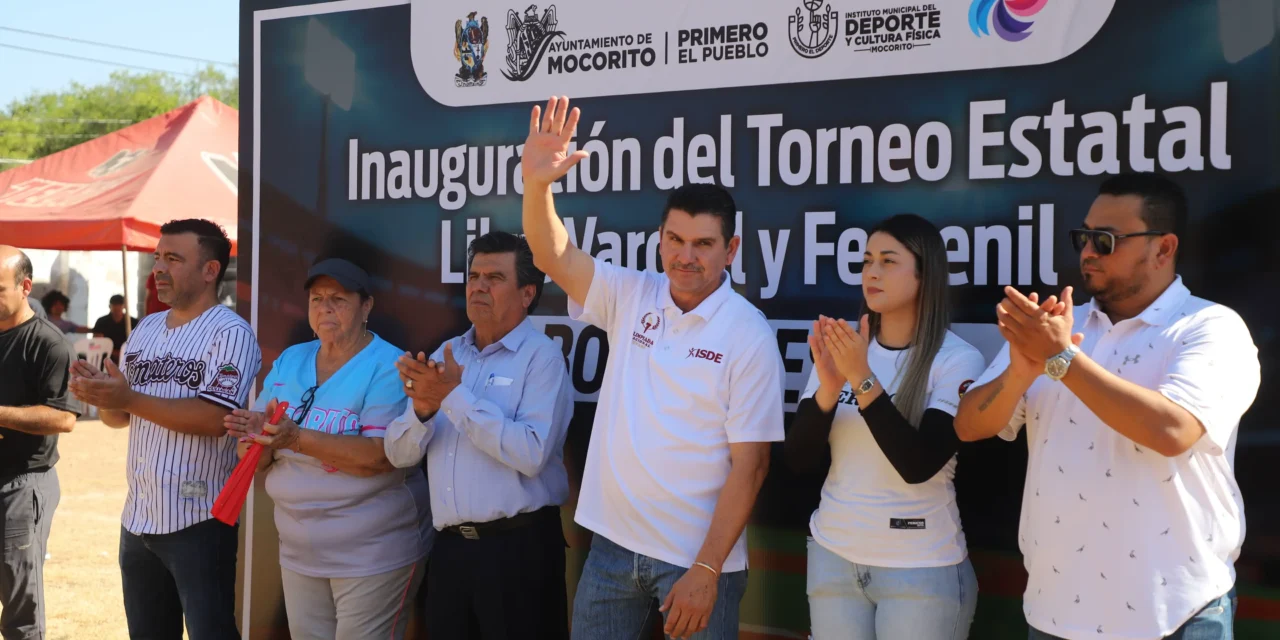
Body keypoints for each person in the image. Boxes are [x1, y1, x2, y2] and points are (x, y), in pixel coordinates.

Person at [521, 96, 785, 640]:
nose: (686, 256)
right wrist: (537, 186)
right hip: (611, 551)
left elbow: (751, 467)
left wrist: (707, 570)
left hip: (695, 564)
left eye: (704, 244)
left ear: (731, 249)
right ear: (660, 238)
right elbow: (552, 256)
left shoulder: (749, 333)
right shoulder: (631, 294)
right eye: (675, 240)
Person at [954, 173, 1261, 640]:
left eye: (1106, 240)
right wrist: (1021, 370)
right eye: (1084, 237)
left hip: (1174, 616)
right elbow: (969, 426)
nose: (1088, 252)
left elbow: (1172, 431)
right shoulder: (1057, 324)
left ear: (1163, 248)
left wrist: (1060, 359)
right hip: (1053, 615)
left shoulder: (1209, 327)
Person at [784, 214, 985, 640]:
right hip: (833, 558)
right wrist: (826, 390)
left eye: (889, 261)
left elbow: (918, 464)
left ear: (924, 274)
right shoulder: (846, 345)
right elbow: (798, 461)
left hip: (919, 570)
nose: (871, 272)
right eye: (867, 260)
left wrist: (861, 379)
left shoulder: (957, 359)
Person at [69, 219, 261, 640]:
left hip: (199, 520)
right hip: (138, 519)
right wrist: (102, 396)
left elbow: (215, 419)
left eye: (173, 258)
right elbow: (120, 419)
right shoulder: (146, 329)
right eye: (158, 257)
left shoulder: (231, 332)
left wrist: (126, 399)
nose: (158, 267)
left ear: (211, 271)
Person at [224, 256, 430, 640]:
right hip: (299, 549)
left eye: (338, 299)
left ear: (366, 306)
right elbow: (254, 460)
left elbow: (378, 457)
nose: (325, 308)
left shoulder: (389, 365)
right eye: (317, 299)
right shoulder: (291, 359)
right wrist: (256, 435)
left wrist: (294, 437)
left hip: (372, 552)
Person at [384, 230, 574, 639]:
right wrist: (421, 410)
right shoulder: (446, 353)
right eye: (474, 276)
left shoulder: (543, 359)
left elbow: (532, 453)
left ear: (527, 293)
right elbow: (399, 455)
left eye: (495, 278)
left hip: (518, 552)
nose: (479, 286)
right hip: (450, 552)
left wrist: (452, 396)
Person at [0, 246, 79, 640]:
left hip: (22, 483)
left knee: (20, 610)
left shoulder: (49, 344)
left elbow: (63, 417)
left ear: (25, 286)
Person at [92, 294, 135, 363]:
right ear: (110, 306)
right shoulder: (102, 322)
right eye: (115, 305)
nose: (117, 307)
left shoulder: (132, 322)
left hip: (127, 356)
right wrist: (112, 352)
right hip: (105, 356)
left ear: (124, 306)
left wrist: (122, 352)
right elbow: (97, 342)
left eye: (119, 304)